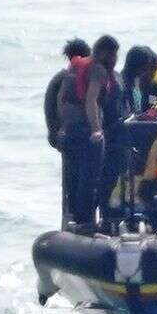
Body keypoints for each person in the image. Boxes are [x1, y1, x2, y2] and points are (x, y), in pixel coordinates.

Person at [59, 34, 120, 230]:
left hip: (70, 129)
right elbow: (91, 99)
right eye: (114, 53)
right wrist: (96, 129)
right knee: (89, 177)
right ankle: (85, 221)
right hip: (86, 130)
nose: (115, 58)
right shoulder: (98, 70)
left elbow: (62, 97)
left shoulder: (76, 66)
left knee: (74, 175)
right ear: (105, 52)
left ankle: (74, 218)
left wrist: (61, 126)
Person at [45, 38, 90, 153]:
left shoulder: (58, 77)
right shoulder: (78, 78)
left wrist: (54, 132)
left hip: (60, 134)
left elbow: (49, 107)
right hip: (73, 133)